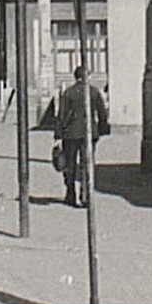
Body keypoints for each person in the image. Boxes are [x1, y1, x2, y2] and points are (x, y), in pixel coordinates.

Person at [54, 66, 109, 208]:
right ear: (87, 77)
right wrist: (102, 129)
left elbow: (62, 114)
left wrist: (58, 134)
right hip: (89, 133)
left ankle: (70, 194)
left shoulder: (68, 93)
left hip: (71, 134)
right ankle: (85, 195)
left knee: (70, 164)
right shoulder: (93, 92)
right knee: (86, 164)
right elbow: (102, 113)